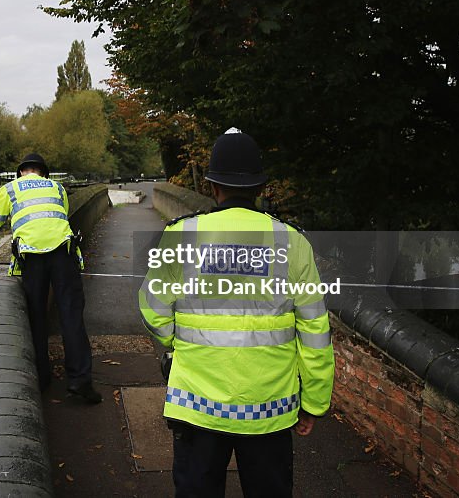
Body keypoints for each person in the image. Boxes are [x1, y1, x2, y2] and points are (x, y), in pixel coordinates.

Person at [139, 128, 335, 497]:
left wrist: (174, 345)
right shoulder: (292, 242)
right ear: (260, 189)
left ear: (213, 186)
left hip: (196, 404)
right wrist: (314, 400)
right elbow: (314, 329)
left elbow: (153, 308)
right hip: (268, 408)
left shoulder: (181, 235)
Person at [0, 153, 102, 404]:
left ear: (22, 172)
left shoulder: (9, 190)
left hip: (30, 258)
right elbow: (60, 217)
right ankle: (79, 383)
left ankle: (41, 379)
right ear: (43, 172)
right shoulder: (58, 188)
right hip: (63, 253)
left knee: (36, 317)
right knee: (71, 316)